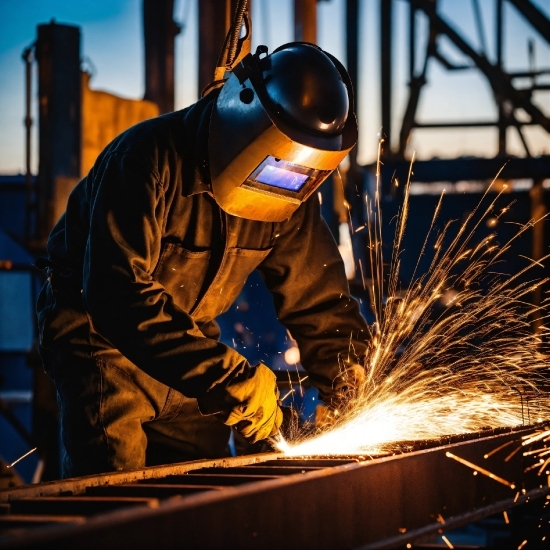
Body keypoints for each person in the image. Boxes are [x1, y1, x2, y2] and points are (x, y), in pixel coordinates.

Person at [36, 43, 371, 478]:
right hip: (101, 343)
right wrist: (227, 379)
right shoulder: (144, 160)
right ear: (244, 117)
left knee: (201, 480)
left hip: (190, 342)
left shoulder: (290, 187)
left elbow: (319, 300)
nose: (285, 178)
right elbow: (116, 295)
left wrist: (347, 382)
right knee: (112, 487)